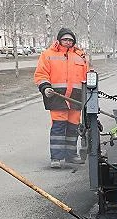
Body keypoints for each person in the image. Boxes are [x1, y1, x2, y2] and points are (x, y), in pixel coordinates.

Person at [35, 27, 90, 168]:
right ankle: (57, 158)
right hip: (57, 96)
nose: (67, 42)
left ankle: (71, 155)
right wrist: (45, 87)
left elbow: (88, 74)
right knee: (58, 128)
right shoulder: (48, 54)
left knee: (73, 128)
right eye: (65, 39)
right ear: (59, 40)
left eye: (70, 40)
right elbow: (41, 74)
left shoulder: (80, 56)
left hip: (76, 98)